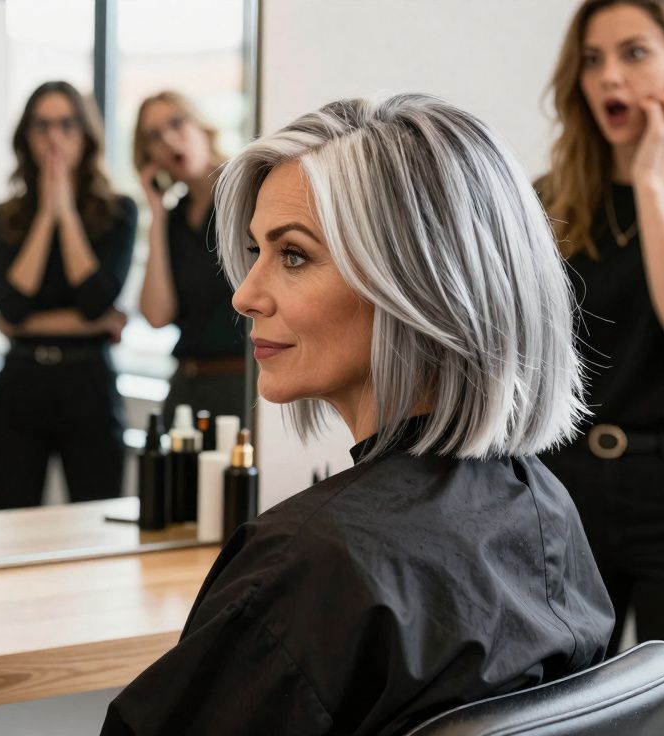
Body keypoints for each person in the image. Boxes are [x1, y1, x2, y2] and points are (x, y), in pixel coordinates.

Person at [101, 95, 614, 735]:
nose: (245, 293)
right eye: (256, 251)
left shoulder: (310, 566)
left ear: (414, 285)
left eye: (292, 255)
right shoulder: (543, 506)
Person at [535, 2, 664, 734]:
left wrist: (652, 181)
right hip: (565, 488)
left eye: (633, 53)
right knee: (547, 718)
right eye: (593, 60)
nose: (609, 77)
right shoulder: (553, 201)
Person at [0, 81, 138, 509]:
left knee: (95, 518)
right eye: (42, 126)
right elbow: (12, 307)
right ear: (26, 137)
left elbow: (93, 300)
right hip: (21, 382)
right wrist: (46, 216)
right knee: (12, 522)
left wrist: (66, 212)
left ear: (86, 134)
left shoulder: (118, 212)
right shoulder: (4, 217)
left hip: (88, 380)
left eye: (67, 125)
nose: (55, 137)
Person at [134, 91, 246, 424]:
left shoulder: (245, 194)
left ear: (202, 127)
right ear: (149, 155)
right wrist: (156, 213)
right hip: (186, 385)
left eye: (176, 124)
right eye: (154, 136)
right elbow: (156, 315)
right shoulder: (175, 218)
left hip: (241, 384)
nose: (169, 140)